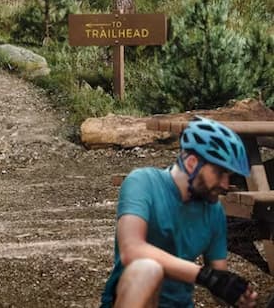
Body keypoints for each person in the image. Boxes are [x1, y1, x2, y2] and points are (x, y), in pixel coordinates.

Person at [101, 116, 258, 308]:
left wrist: (235, 293)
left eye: (229, 176)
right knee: (147, 268)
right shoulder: (142, 182)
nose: (226, 185)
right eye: (219, 172)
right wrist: (204, 275)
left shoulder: (214, 210)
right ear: (192, 163)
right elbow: (131, 250)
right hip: (133, 300)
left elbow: (218, 281)